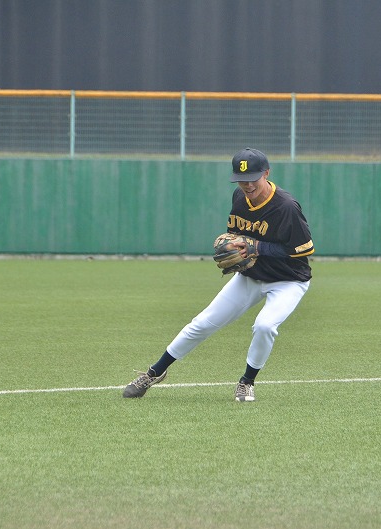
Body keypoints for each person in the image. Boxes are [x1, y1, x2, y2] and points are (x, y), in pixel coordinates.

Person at [123, 147, 314, 402]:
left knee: (265, 325)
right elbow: (238, 234)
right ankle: (153, 373)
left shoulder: (286, 206)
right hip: (251, 276)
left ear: (266, 173)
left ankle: (247, 382)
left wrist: (258, 247)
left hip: (288, 280)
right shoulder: (239, 197)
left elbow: (304, 249)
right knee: (202, 323)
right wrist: (234, 245)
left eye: (253, 178)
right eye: (242, 180)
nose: (248, 185)